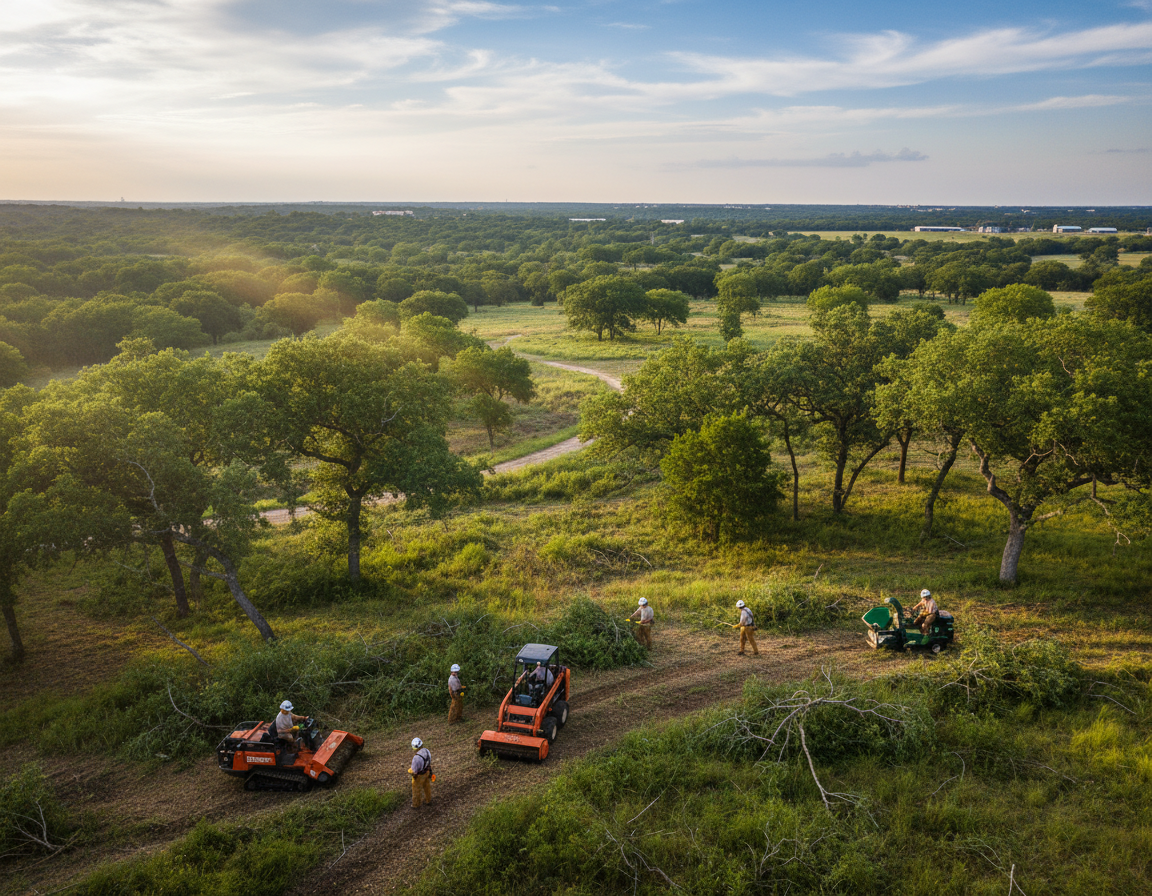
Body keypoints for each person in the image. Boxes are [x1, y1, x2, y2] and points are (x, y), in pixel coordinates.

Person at [409, 737, 432, 808]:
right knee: (427, 787)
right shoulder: (427, 751)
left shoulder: (416, 758)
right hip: (427, 772)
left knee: (416, 790)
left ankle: (416, 804)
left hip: (419, 776)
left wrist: (410, 771)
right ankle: (428, 800)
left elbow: (414, 771)